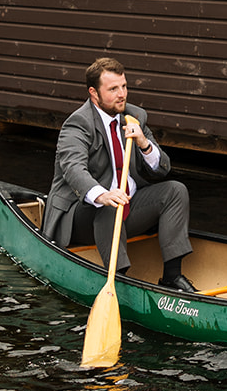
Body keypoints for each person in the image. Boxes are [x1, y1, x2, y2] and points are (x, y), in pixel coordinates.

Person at [42, 56, 195, 293]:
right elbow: (73, 169)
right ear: (94, 93)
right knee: (111, 204)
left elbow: (163, 168)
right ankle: (121, 279)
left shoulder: (135, 117)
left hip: (127, 208)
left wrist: (144, 144)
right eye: (113, 89)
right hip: (82, 217)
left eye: (124, 86)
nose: (121, 94)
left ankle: (172, 277)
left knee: (176, 190)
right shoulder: (77, 124)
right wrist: (102, 195)